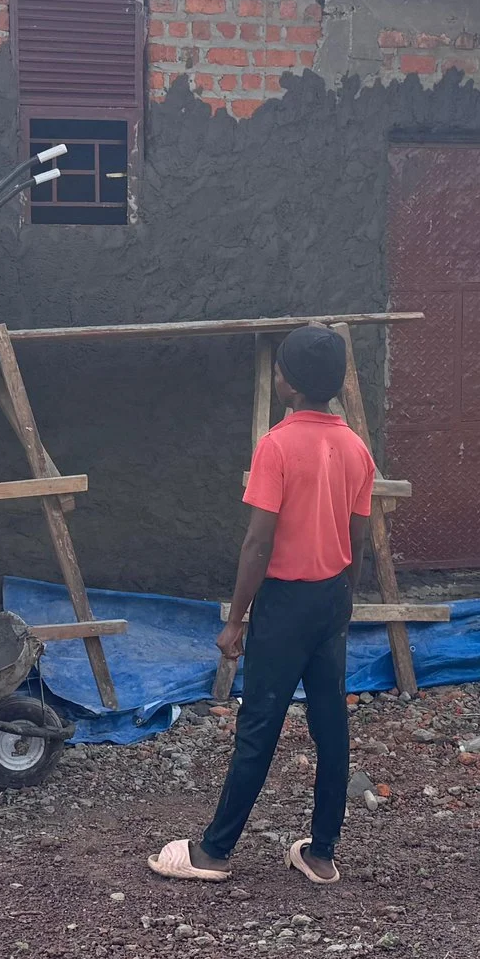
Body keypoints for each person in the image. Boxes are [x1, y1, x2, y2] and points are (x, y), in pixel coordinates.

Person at [149, 322, 375, 887]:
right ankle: (321, 853)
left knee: (259, 726)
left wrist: (235, 619)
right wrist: (346, 595)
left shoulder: (277, 446)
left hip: (284, 603)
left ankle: (213, 852)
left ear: (292, 385)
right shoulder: (355, 448)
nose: (275, 376)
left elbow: (258, 543)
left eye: (279, 369)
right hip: (332, 600)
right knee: (331, 726)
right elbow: (361, 535)